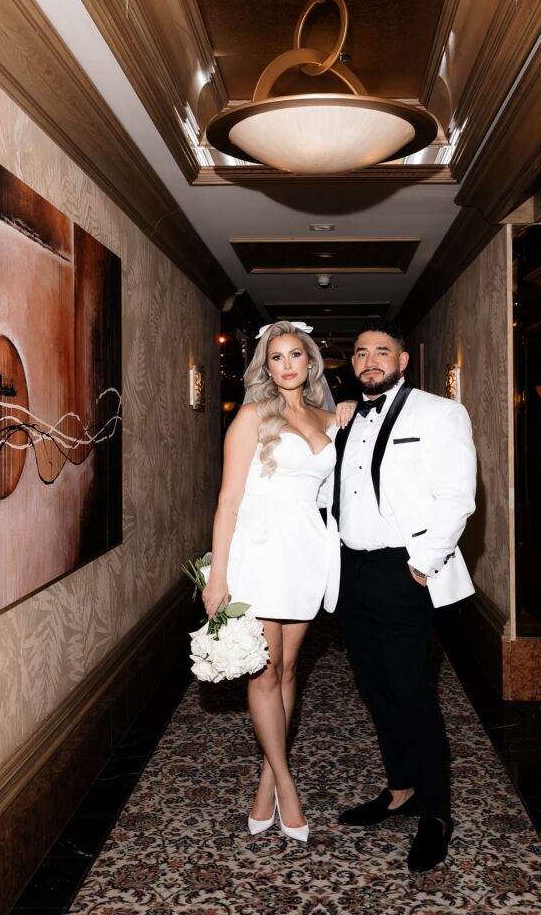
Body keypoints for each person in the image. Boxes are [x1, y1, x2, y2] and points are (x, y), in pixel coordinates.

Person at [330, 319, 477, 873]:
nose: (370, 360)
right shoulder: (344, 418)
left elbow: (458, 496)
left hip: (404, 571)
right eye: (361, 352)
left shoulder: (440, 413)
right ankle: (400, 790)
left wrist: (421, 566)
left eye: (381, 352)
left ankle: (436, 812)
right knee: (376, 687)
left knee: (413, 692)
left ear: (404, 360)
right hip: (350, 573)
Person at [203, 320, 354, 843]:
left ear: (310, 363)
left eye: (295, 356)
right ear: (264, 368)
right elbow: (227, 501)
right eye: (276, 358)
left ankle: (266, 783)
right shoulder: (250, 417)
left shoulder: (332, 418)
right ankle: (287, 787)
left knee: (289, 669)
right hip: (261, 551)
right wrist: (217, 576)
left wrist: (347, 416)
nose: (287, 365)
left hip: (308, 552)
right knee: (263, 673)